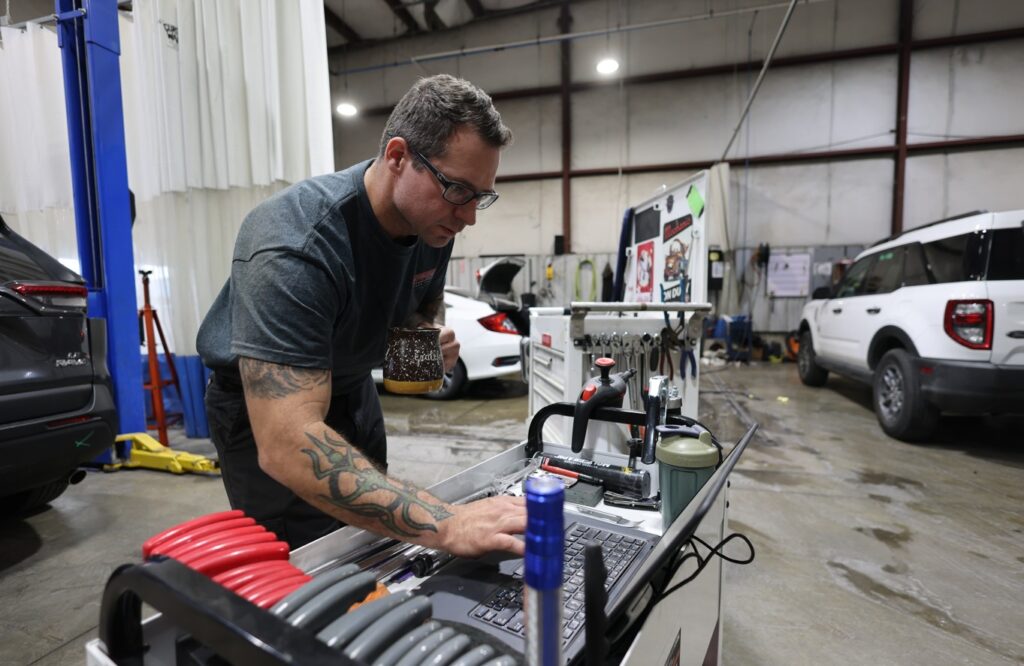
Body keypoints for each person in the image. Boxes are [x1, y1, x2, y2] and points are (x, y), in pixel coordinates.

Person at [196, 74, 526, 556]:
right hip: (265, 412)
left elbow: (405, 363)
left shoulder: (433, 226)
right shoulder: (296, 241)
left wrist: (425, 344)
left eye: (481, 197)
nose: (469, 216)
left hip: (353, 391)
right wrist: (447, 523)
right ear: (397, 157)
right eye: (457, 189)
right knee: (306, 562)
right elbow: (288, 443)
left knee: (366, 542)